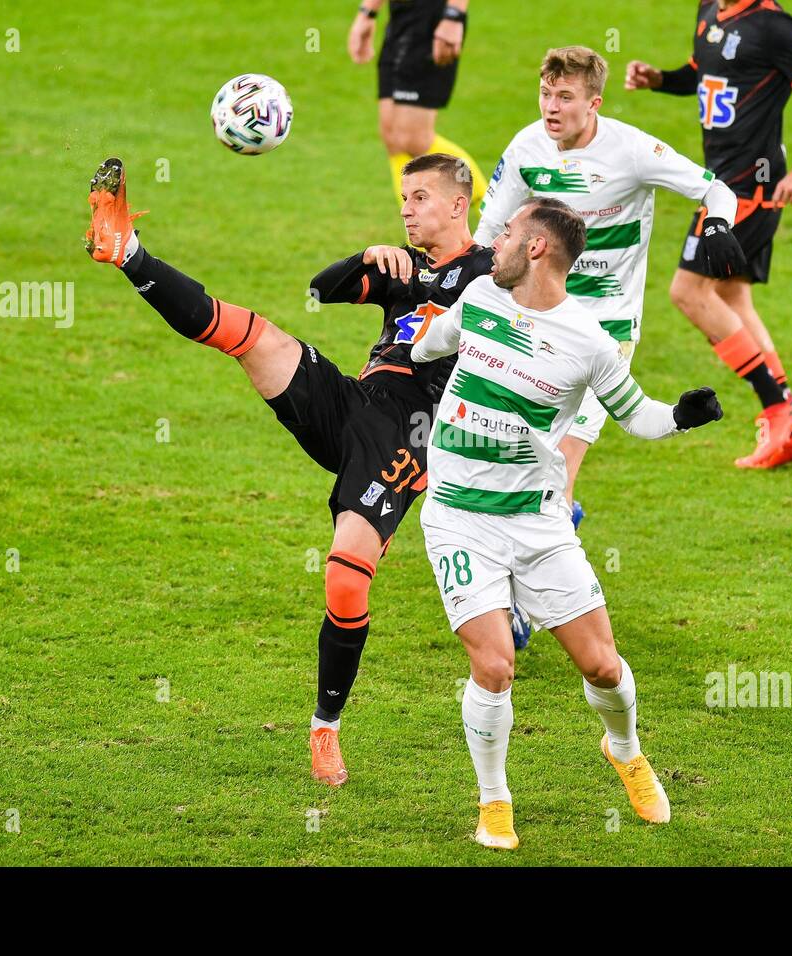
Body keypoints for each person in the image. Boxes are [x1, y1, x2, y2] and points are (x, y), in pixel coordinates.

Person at [82, 154, 493, 788]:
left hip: (405, 441)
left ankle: (325, 727)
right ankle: (127, 250)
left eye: (418, 199)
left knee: (345, 583)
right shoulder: (403, 268)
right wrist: (368, 257)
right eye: (403, 198)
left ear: (459, 205)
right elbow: (320, 290)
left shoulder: (489, 270)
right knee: (251, 336)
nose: (405, 209)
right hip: (352, 404)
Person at [410, 197, 725, 849]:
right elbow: (424, 347)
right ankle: (494, 802)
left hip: (536, 522)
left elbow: (636, 414)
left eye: (506, 235)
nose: (491, 242)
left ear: (536, 250)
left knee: (603, 667)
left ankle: (626, 749)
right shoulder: (479, 297)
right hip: (459, 518)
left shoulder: (588, 342)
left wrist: (683, 416)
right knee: (494, 666)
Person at [475, 45, 743, 510]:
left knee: (560, 462)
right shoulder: (526, 147)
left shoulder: (632, 151)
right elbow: (488, 233)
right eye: (544, 94)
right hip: (536, 320)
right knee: (527, 459)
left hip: (606, 328)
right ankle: (547, 534)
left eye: (564, 97)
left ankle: (545, 556)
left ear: (593, 103)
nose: (551, 108)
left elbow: (715, 190)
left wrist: (717, 225)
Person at [625, 0, 792, 467]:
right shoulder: (710, 12)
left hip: (748, 188)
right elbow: (703, 73)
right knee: (732, 299)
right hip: (727, 182)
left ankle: (778, 405)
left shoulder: (774, 25)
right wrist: (660, 79)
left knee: (689, 292)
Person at [347, 0, 486, 212]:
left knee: (414, 138)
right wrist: (367, 12)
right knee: (392, 135)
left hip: (431, 14)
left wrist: (454, 14)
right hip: (401, 15)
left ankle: (491, 209)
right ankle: (418, 236)